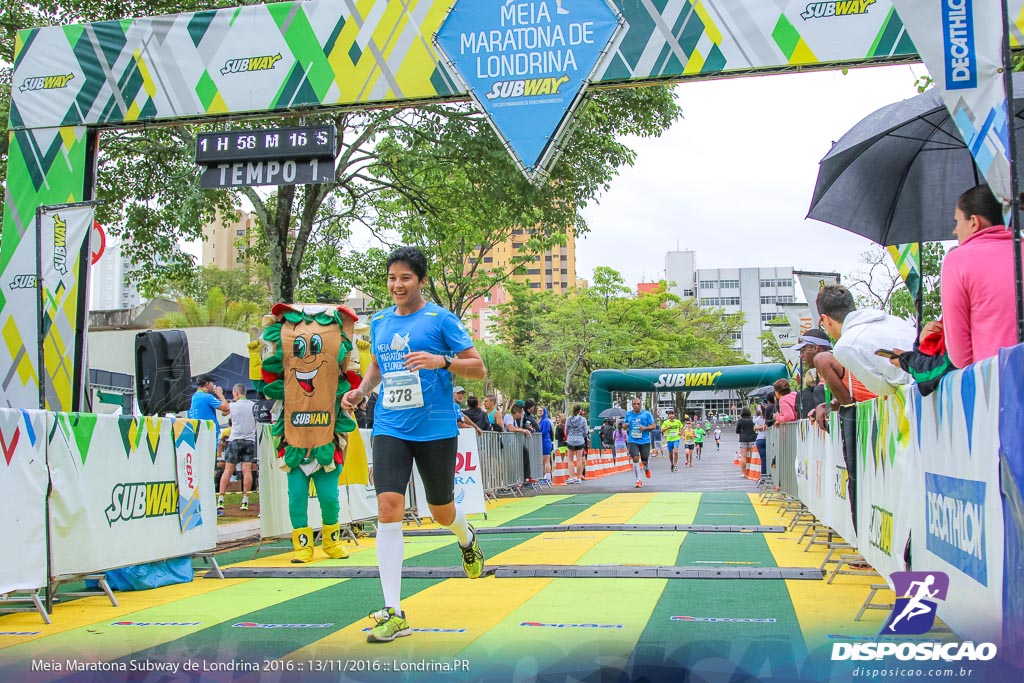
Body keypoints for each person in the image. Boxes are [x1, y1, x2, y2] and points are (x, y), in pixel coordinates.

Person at [340, 246, 487, 644]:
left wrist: (442, 362)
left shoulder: (442, 319)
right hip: (390, 426)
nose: (397, 284)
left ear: (421, 281)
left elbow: (477, 366)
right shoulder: (382, 321)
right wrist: (360, 392)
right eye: (391, 278)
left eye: (405, 278)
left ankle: (465, 537)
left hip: (436, 429)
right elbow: (376, 366)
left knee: (441, 511)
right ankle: (394, 611)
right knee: (388, 507)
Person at [941, 184, 1024, 367]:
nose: (955, 231)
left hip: (999, 381)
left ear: (973, 221)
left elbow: (960, 356)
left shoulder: (957, 260)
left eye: (957, 221)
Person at [817, 284, 916, 397]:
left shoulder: (845, 346)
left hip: (921, 391)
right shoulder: (893, 320)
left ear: (826, 319)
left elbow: (883, 390)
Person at [217, 384, 257, 515]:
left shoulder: (234, 406)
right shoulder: (253, 405)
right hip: (249, 440)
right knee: (247, 470)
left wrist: (221, 395)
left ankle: (221, 499)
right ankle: (245, 499)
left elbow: (224, 409)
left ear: (235, 392)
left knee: (228, 470)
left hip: (235, 440)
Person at [623, 397, 656, 487]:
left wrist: (645, 428)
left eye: (638, 404)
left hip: (644, 440)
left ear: (641, 405)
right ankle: (638, 480)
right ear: (632, 405)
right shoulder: (628, 414)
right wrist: (625, 425)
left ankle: (646, 468)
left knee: (644, 460)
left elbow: (653, 426)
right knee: (635, 458)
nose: (636, 405)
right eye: (635, 404)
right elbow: (625, 425)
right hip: (632, 440)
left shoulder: (647, 414)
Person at [189, 375, 230, 441]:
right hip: (211, 434)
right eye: (212, 383)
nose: (214, 385)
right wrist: (220, 394)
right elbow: (226, 408)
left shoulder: (191, 399)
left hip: (196, 435)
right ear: (207, 384)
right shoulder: (208, 397)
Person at [564, 405, 588, 484]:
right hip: (580, 440)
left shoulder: (568, 419)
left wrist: (569, 435)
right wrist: (582, 436)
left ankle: (571, 477)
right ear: (580, 410)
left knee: (570, 460)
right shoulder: (583, 419)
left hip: (570, 439)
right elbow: (585, 431)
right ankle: (579, 477)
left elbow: (566, 430)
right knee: (579, 460)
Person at [735, 407, 757, 477]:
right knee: (752, 456)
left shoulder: (740, 421)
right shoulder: (753, 420)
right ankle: (751, 472)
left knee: (743, 456)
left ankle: (743, 473)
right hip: (752, 439)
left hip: (743, 439)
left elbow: (737, 431)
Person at [538, 406, 554, 483]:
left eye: (541, 411)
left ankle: (547, 476)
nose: (540, 412)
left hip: (545, 441)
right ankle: (546, 476)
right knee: (544, 461)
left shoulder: (545, 421)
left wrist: (537, 433)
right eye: (539, 411)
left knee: (546, 460)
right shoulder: (540, 421)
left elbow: (544, 431)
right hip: (543, 441)